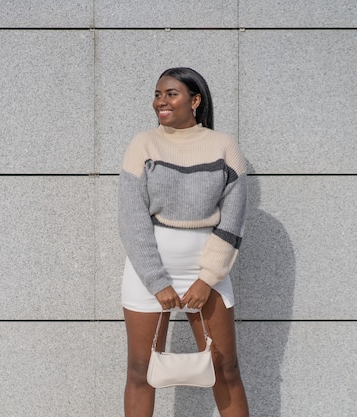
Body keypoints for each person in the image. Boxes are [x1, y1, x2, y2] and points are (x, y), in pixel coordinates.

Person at [118, 67, 250, 417]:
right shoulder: (142, 144)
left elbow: (234, 218)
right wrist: (157, 281)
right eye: (158, 94)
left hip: (207, 270)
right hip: (148, 272)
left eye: (170, 94)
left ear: (195, 100)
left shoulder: (224, 146)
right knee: (141, 370)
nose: (161, 101)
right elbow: (131, 219)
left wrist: (207, 279)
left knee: (226, 368)